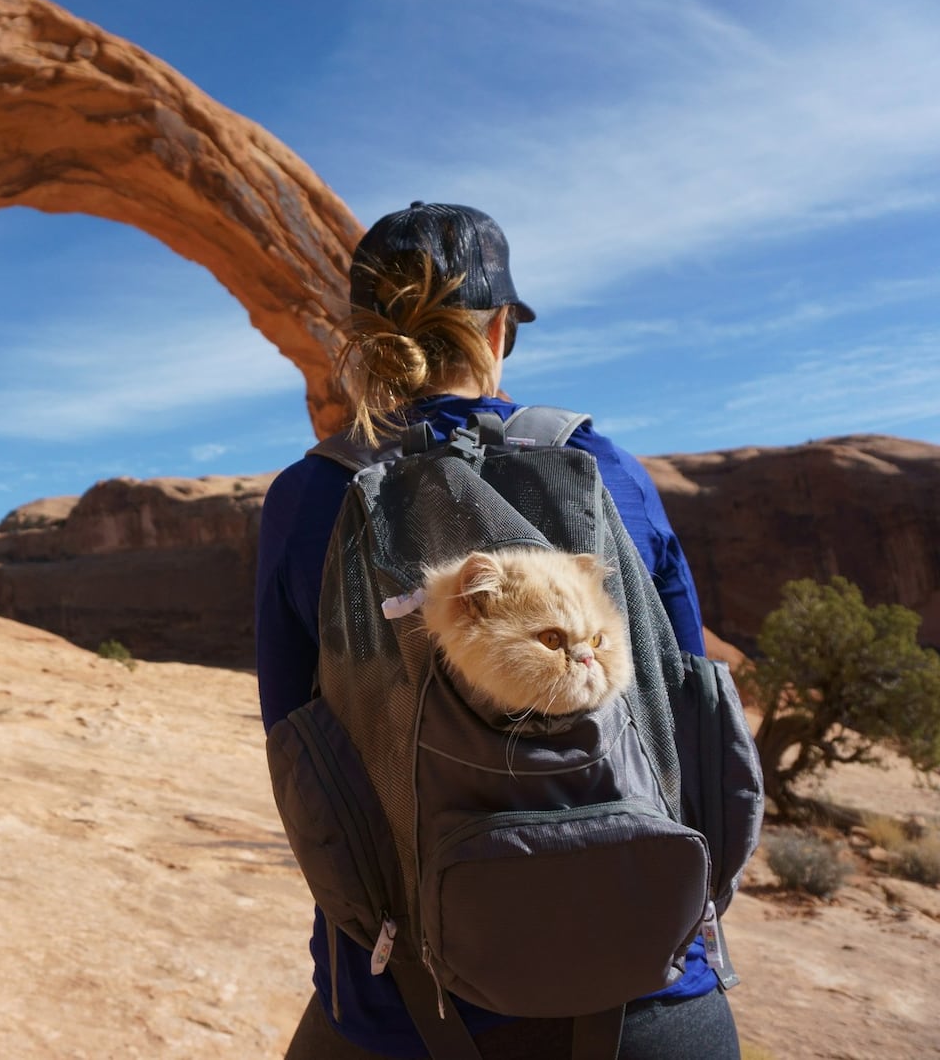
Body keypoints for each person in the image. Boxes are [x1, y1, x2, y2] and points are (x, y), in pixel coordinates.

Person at [255, 202, 740, 1060]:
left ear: (365, 337)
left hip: (401, 1008)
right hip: (653, 993)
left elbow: (297, 745)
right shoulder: (605, 469)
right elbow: (694, 711)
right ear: (500, 327)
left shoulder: (311, 499)